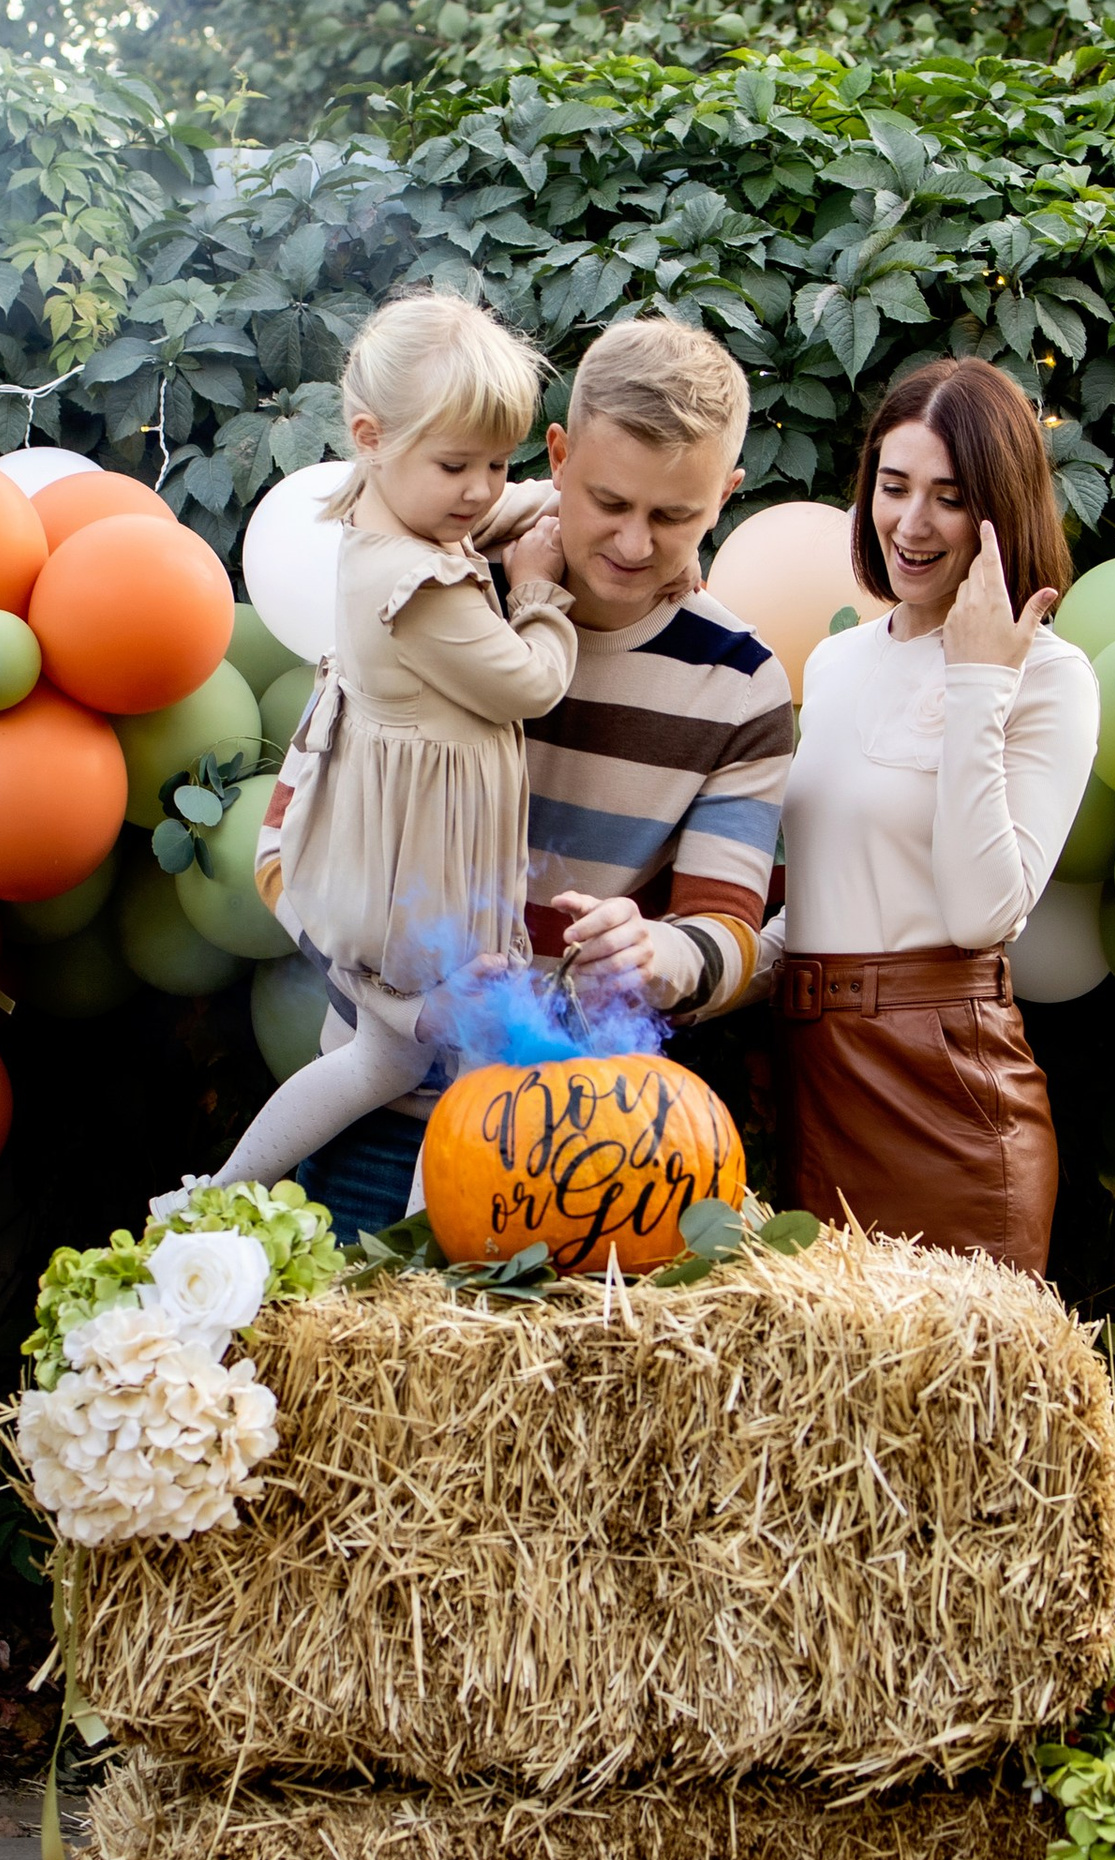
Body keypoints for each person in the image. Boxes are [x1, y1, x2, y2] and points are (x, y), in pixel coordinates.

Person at [264, 314, 796, 1236]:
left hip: (580, 1150)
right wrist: (405, 1005)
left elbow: (731, 933)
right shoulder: (442, 590)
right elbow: (284, 852)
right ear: (555, 454)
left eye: (673, 516)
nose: (633, 543)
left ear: (726, 495)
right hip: (373, 1124)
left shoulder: (741, 686)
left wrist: (658, 954)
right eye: (608, 502)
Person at [204, 290, 577, 1188]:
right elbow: (532, 684)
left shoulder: (383, 520)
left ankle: (221, 1191)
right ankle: (421, 1261)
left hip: (394, 849)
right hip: (430, 873)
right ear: (371, 437)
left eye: (499, 461)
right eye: (458, 464)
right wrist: (537, 590)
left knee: (387, 1060)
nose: (482, 490)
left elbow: (477, 513)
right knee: (478, 1068)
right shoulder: (423, 588)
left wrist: (548, 492)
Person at [764, 356, 1098, 1270]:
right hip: (807, 1076)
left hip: (944, 1091)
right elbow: (839, 888)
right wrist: (708, 962)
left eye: (949, 498)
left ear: (1000, 511)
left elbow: (983, 913)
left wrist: (981, 677)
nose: (910, 524)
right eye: (893, 486)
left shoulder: (1051, 677)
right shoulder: (836, 664)